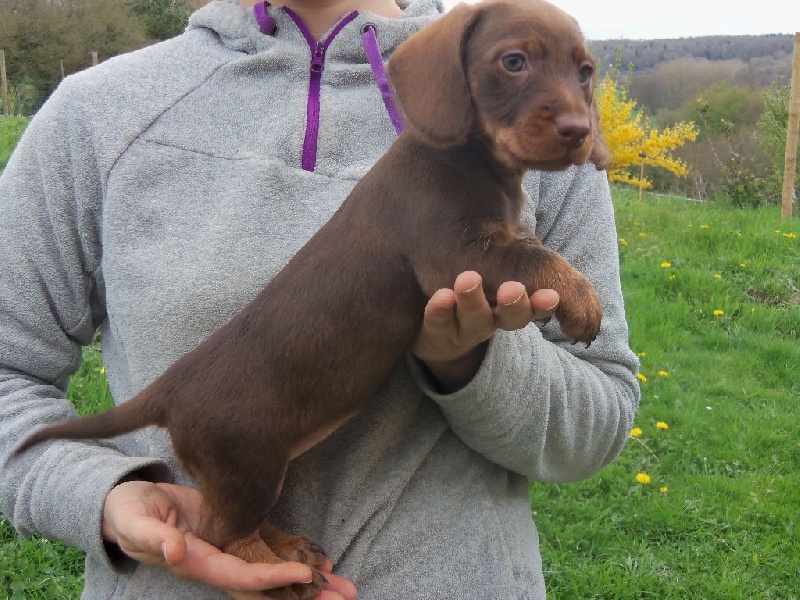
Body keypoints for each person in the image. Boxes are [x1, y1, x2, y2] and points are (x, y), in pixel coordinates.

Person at [0, 0, 641, 598]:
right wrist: (103, 493)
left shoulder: (542, 144)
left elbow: (603, 409)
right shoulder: (98, 113)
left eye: (583, 75)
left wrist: (468, 360)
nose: (573, 107)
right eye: (515, 63)